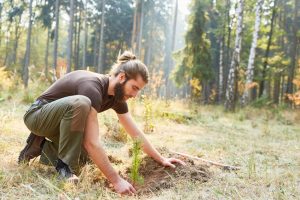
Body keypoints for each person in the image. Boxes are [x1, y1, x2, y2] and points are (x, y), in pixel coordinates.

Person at [19, 51, 185, 195]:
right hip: (38, 116)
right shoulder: (92, 87)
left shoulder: (117, 97)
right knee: (81, 103)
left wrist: (161, 158)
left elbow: (135, 133)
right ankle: (64, 167)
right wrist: (116, 181)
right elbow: (92, 142)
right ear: (121, 77)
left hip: (59, 124)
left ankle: (39, 146)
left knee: (87, 160)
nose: (135, 95)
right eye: (134, 88)